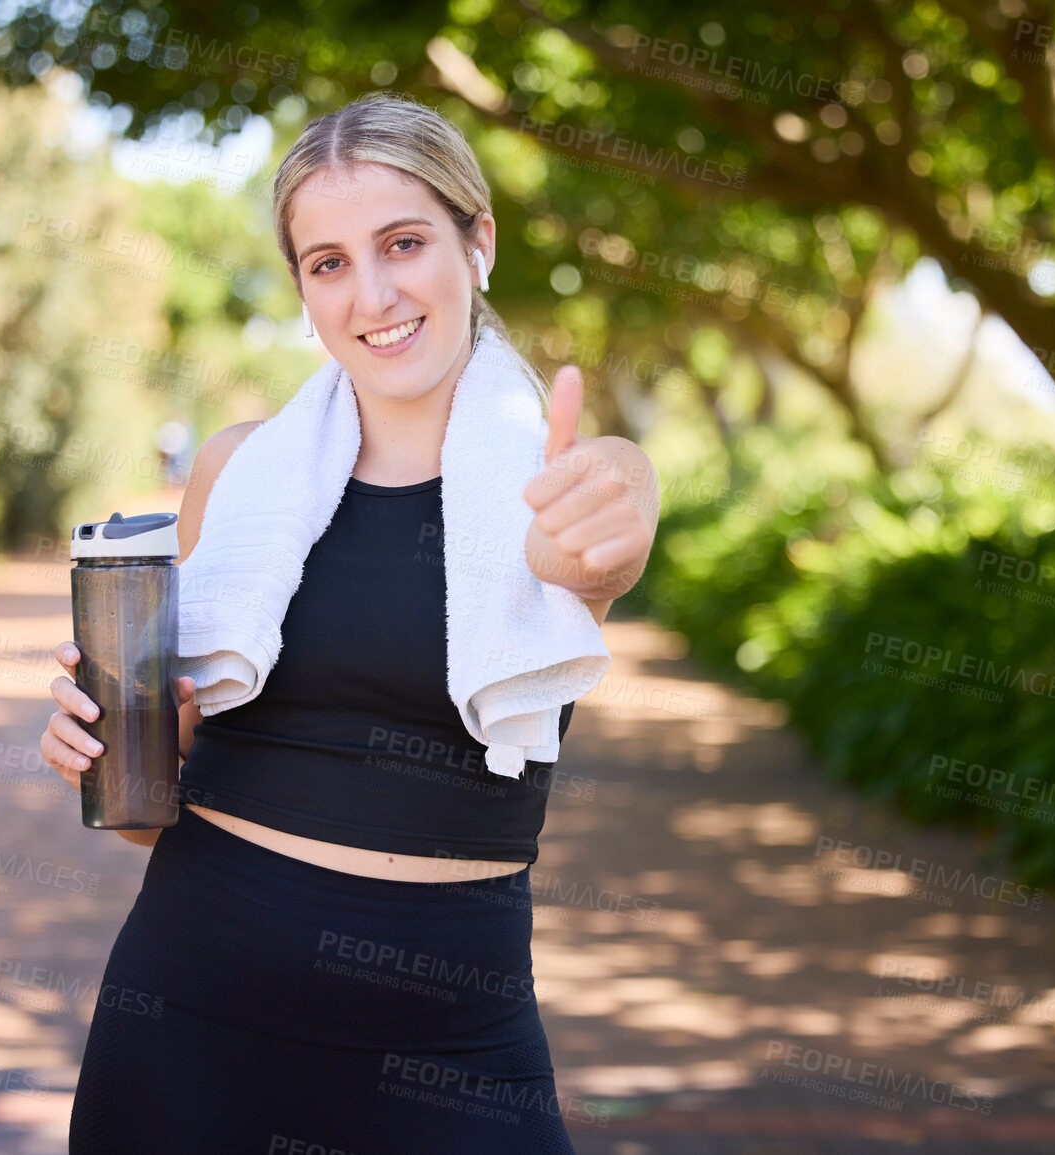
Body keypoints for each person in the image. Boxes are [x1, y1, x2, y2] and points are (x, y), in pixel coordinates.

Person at [42, 90, 659, 1153]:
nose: (371, 294)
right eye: (327, 262)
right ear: (302, 289)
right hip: (188, 1017)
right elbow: (151, 819)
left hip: (453, 1053)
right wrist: (112, 751)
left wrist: (623, 500)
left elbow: (616, 521)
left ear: (479, 246)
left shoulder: (557, 486)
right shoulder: (238, 475)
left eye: (404, 243)